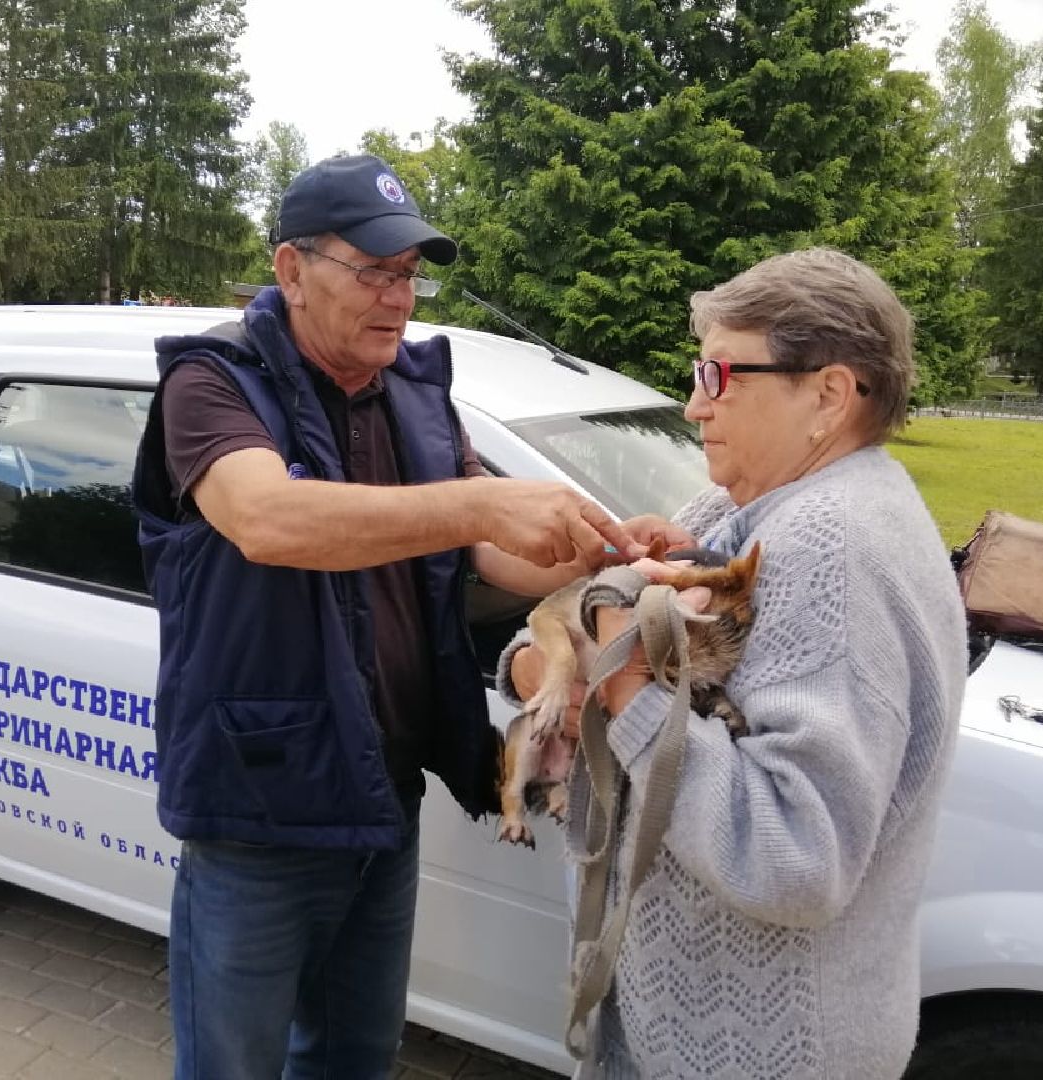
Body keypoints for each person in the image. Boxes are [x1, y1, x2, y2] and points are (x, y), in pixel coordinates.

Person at [131, 153, 669, 1080]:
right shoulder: (212, 381)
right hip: (258, 807)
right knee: (232, 1066)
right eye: (375, 272)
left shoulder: (416, 394)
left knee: (356, 1057)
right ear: (292, 269)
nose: (400, 299)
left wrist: (603, 550)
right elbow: (268, 520)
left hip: (382, 794)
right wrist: (479, 505)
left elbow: (491, 551)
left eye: (411, 275)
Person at [505, 248, 969, 1079]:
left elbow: (793, 860)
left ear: (828, 395)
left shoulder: (834, 545)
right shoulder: (735, 505)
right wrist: (541, 673)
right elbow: (560, 638)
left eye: (719, 375)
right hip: (678, 1027)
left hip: (756, 1053)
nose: (694, 403)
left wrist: (619, 686)